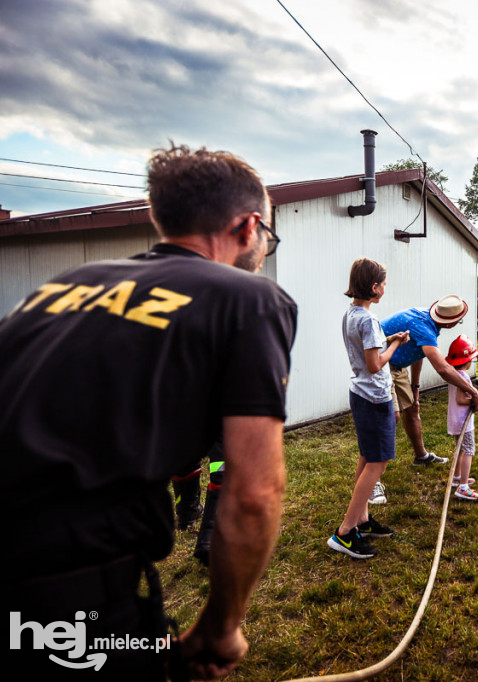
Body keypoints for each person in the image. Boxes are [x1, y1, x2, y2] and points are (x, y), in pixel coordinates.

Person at [1, 143, 297, 680]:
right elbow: (254, 494)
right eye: (268, 237)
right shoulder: (246, 298)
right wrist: (221, 625)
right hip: (65, 593)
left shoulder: (62, 288)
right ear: (249, 226)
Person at [328, 258, 409, 559]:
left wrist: (388, 339)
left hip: (359, 395)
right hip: (375, 399)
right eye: (384, 284)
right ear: (375, 288)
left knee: (367, 456)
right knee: (378, 462)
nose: (385, 288)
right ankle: (345, 532)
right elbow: (375, 364)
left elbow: (364, 351)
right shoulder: (369, 320)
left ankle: (362, 521)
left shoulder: (351, 315)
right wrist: (396, 347)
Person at [371, 296, 478, 504]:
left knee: (412, 409)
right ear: (450, 321)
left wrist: (415, 389)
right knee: (391, 417)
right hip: (381, 365)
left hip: (398, 365)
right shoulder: (423, 325)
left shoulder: (429, 323)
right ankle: (372, 482)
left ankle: (421, 456)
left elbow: (418, 354)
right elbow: (443, 369)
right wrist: (473, 392)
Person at [446, 335, 478, 501]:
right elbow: (461, 399)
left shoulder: (452, 375)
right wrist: (475, 398)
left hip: (455, 422)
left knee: (460, 449)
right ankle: (463, 487)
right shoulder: (464, 377)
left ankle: (457, 478)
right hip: (464, 423)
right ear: (468, 361)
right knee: (469, 450)